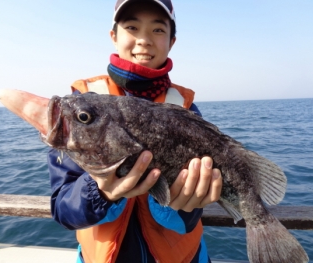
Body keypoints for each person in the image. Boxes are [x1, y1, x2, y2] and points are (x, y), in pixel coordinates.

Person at [48, 0, 223, 262]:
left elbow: (190, 216)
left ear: (172, 41)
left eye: (158, 30)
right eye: (132, 27)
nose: (143, 40)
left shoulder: (186, 110)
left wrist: (188, 205)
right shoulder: (79, 111)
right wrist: (100, 191)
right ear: (113, 36)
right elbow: (63, 209)